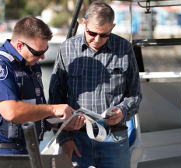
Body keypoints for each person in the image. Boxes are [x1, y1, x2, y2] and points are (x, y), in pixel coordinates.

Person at [49, 1, 142, 168]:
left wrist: (122, 112)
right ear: (83, 23)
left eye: (104, 35)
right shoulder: (67, 49)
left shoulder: (125, 49)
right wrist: (64, 139)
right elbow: (56, 98)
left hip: (115, 140)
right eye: (92, 33)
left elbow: (135, 95)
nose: (97, 39)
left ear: (112, 28)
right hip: (76, 139)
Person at [0, 16, 75, 155]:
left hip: (29, 150)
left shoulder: (32, 66)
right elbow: (11, 112)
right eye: (38, 52)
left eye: (45, 51)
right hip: (4, 154)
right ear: (19, 45)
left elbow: (34, 112)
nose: (42, 57)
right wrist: (53, 109)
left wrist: (63, 122)